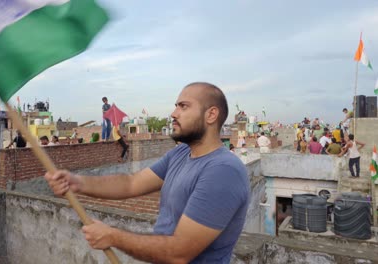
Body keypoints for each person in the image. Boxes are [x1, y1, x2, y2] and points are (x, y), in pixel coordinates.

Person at [45, 82, 249, 263]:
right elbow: (131, 183)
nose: (173, 113)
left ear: (211, 115)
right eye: (176, 106)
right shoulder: (180, 153)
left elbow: (179, 254)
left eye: (183, 106)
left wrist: (113, 236)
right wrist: (77, 182)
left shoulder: (223, 171)